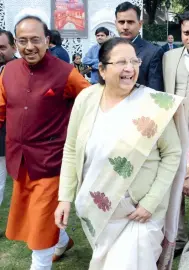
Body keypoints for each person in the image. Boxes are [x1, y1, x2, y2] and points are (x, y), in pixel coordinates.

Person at [55, 37, 183, 270]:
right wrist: (65, 197)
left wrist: (150, 203)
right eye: (121, 62)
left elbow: (173, 153)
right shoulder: (87, 98)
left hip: (139, 213)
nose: (129, 68)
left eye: (134, 61)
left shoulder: (154, 104)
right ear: (102, 70)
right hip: (99, 211)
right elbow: (72, 148)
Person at [0, 8, 90, 270]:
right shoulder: (8, 71)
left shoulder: (66, 72)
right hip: (20, 160)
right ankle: (62, 240)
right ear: (16, 43)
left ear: (47, 39)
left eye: (35, 39)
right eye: (23, 41)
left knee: (39, 225)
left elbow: (90, 102)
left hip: (52, 161)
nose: (29, 46)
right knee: (37, 214)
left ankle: (40, 265)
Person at [163, 11, 189, 260]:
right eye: (187, 33)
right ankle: (178, 237)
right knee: (176, 182)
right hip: (177, 130)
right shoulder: (169, 57)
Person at [115, 2, 164, 91]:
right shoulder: (110, 50)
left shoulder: (153, 52)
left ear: (140, 24)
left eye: (130, 22)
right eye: (121, 22)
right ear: (116, 24)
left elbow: (155, 92)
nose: (125, 27)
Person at [0, 30, 16, 208]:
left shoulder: (25, 68)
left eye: (2, 47)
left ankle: (58, 235)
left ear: (13, 46)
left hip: (24, 138)